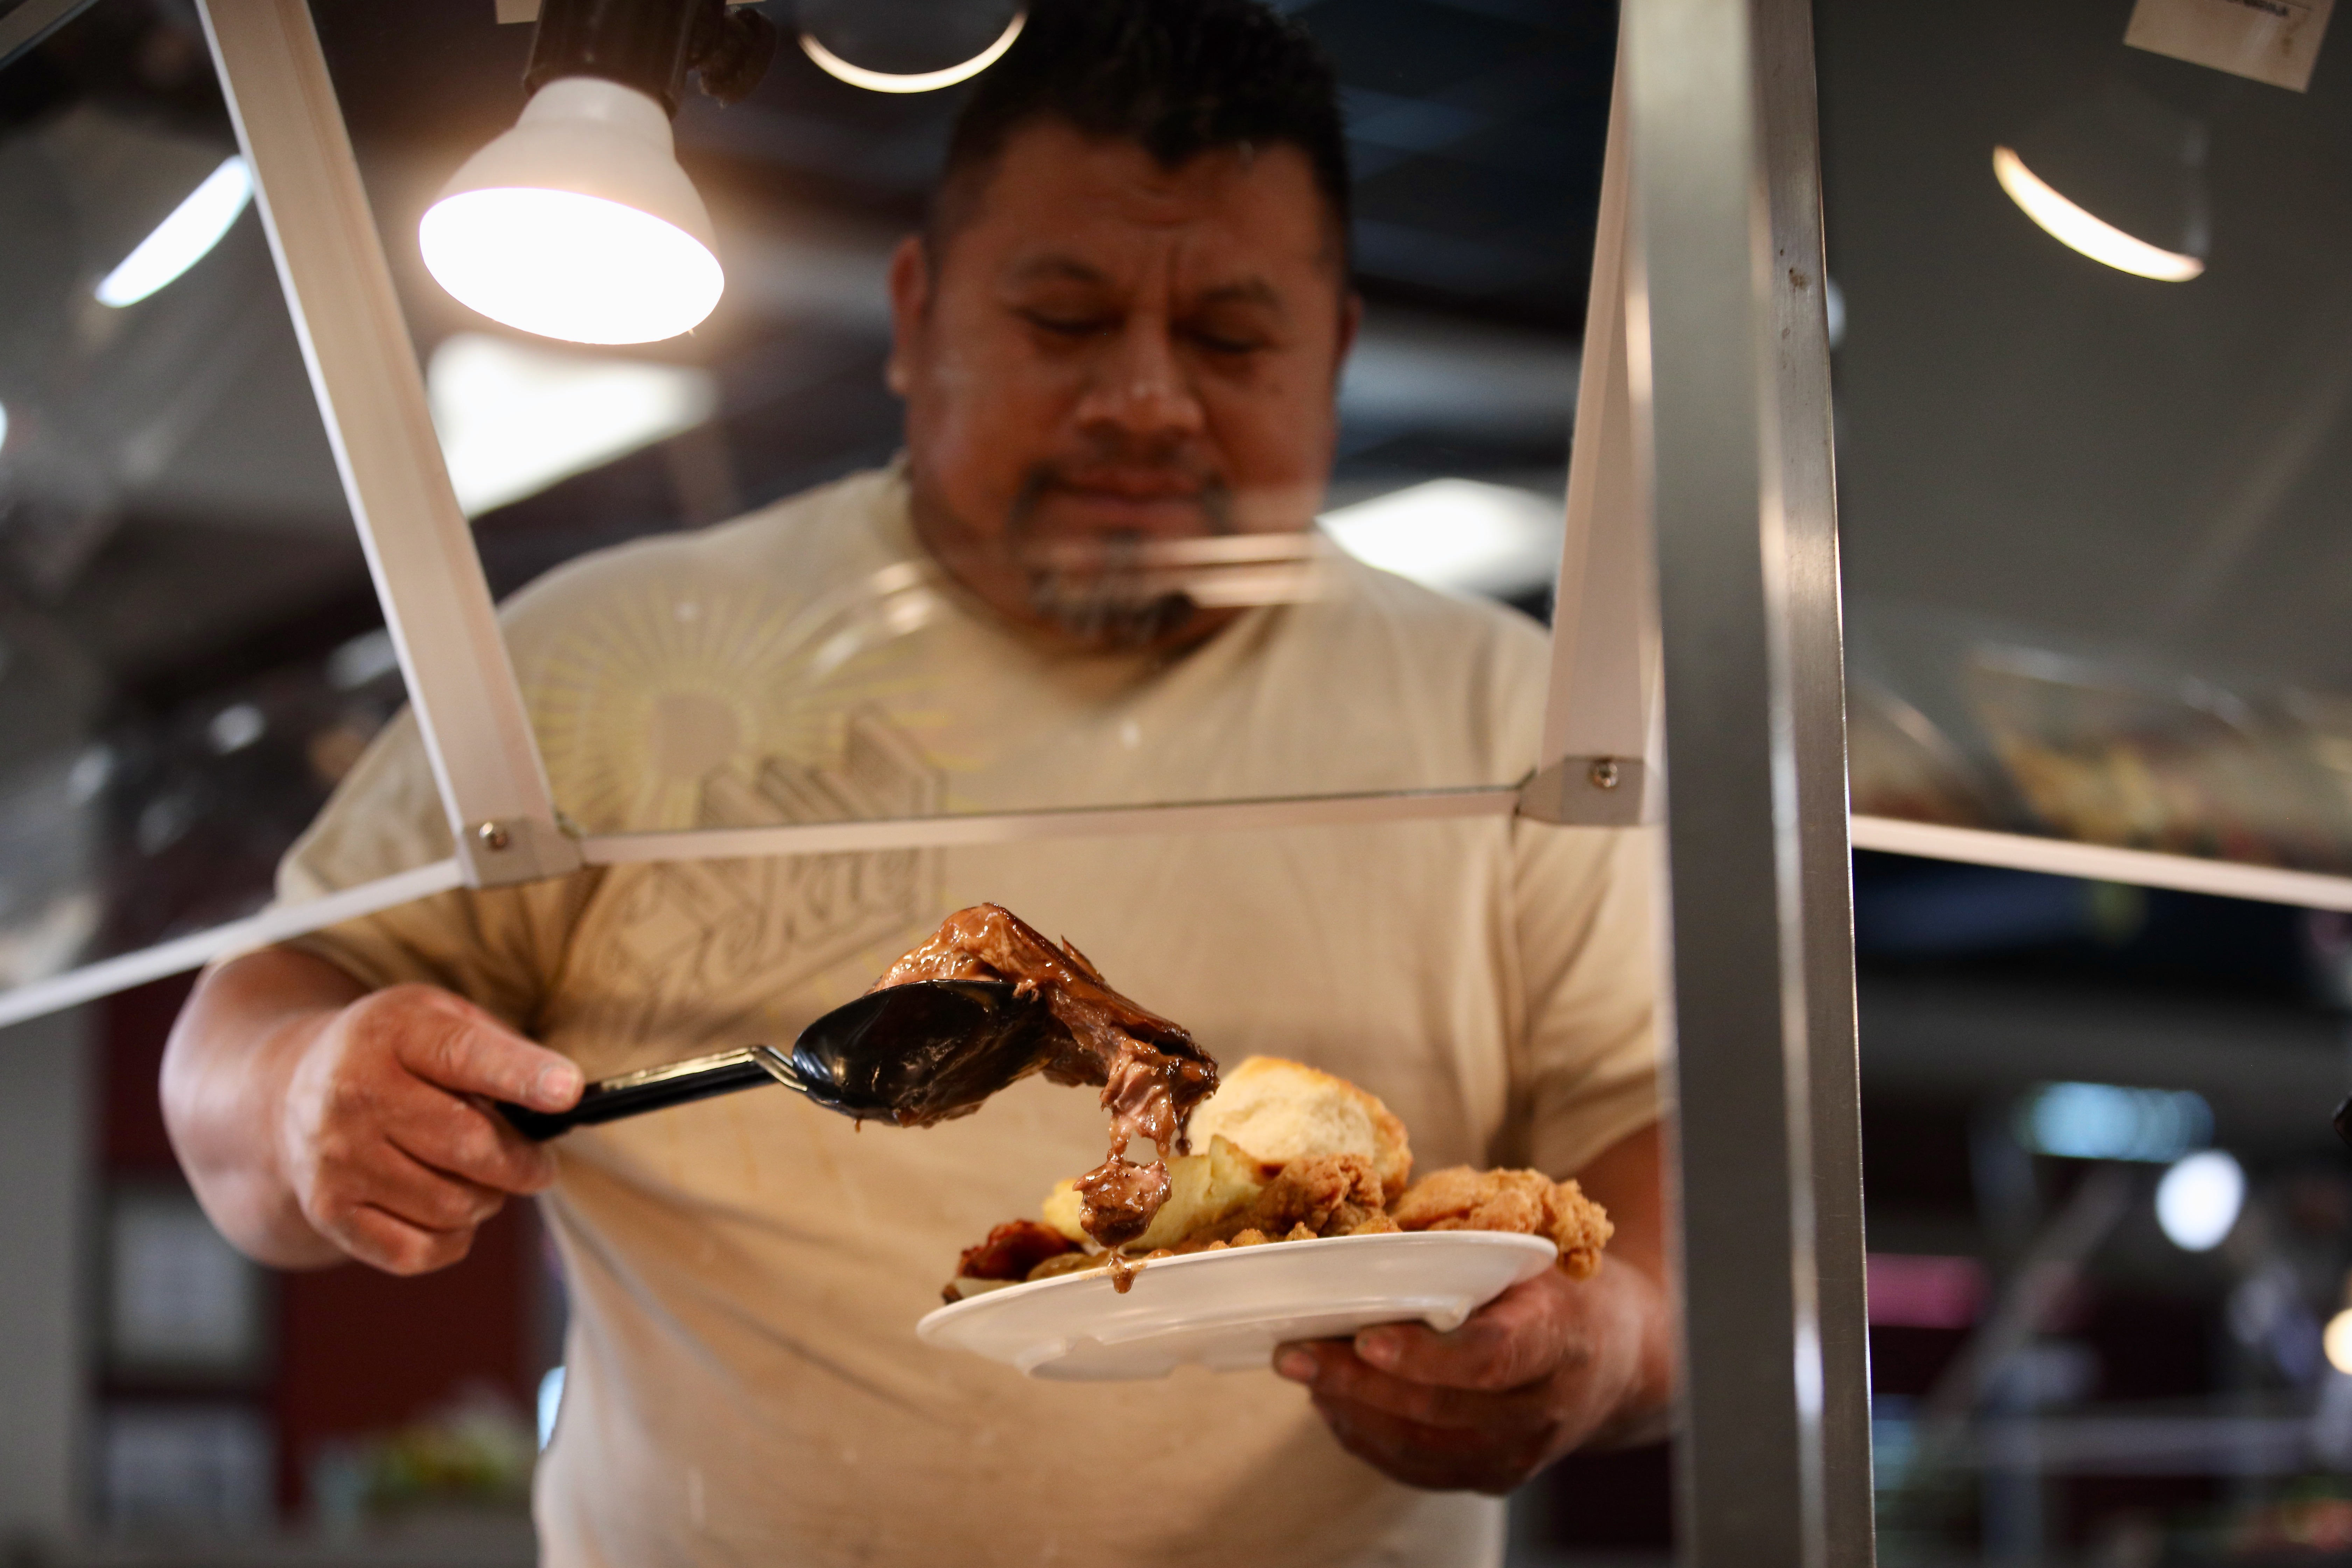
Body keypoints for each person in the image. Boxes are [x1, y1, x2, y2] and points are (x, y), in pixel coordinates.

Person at [161, 0, 1673, 1561]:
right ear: (914, 313)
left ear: (1341, 346)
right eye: (1066, 320)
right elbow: (247, 1033)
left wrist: (1615, 1340)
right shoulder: (609, 662)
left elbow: (1670, 1143)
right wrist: (296, 1105)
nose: (1146, 399)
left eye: (1231, 335)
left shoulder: (1523, 721)